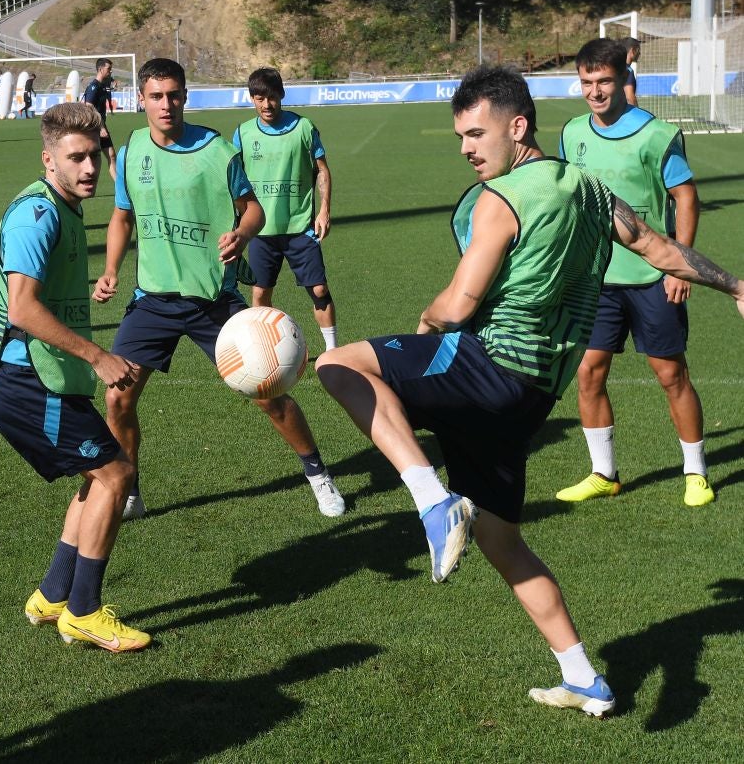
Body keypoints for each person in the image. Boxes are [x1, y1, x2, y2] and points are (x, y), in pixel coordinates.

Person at [314, 65, 744, 717]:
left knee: (339, 367)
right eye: (461, 136)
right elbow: (660, 251)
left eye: (477, 133)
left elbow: (459, 306)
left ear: (518, 127)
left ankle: (433, 502)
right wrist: (736, 286)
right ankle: (583, 678)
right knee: (502, 539)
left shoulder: (501, 199)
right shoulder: (596, 194)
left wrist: (427, 322)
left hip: (488, 367)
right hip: (530, 399)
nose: (466, 147)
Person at [93, 58, 344, 521]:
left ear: (185, 97)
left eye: (173, 95)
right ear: (140, 100)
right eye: (155, 96)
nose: (166, 105)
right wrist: (110, 269)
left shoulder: (217, 151)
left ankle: (317, 473)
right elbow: (122, 217)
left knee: (268, 393)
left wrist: (243, 236)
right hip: (153, 299)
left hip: (213, 300)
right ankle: (130, 488)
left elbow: (253, 211)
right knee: (117, 396)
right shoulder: (130, 153)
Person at [0, 101, 149, 653]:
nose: (88, 168)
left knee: (96, 476)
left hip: (41, 374)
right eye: (76, 158)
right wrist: (98, 356)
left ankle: (52, 596)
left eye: (94, 156)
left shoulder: (64, 208)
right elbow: (22, 308)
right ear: (49, 158)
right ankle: (85, 612)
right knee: (116, 474)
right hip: (20, 376)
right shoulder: (38, 215)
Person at [557, 38, 712, 506]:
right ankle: (604, 472)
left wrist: (680, 264)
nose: (595, 91)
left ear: (624, 78)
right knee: (589, 373)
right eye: (586, 82)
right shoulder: (571, 133)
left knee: (670, 374)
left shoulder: (657, 134)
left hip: (652, 276)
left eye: (603, 80)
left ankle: (696, 472)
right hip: (596, 279)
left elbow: (685, 196)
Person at [234, 67, 340, 354]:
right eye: (259, 98)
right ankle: (264, 351)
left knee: (319, 290)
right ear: (252, 99)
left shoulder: (304, 127)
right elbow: (234, 178)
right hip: (261, 230)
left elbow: (322, 170)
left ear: (281, 95)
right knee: (260, 293)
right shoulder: (243, 133)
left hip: (299, 228)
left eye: (271, 97)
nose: (266, 105)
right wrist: (239, 220)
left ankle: (332, 351)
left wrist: (324, 211)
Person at [82, 58, 117, 182]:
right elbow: (89, 106)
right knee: (91, 157)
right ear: (101, 69)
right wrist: (101, 127)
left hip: (101, 125)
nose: (110, 71)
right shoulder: (94, 86)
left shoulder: (102, 86)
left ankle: (119, 187)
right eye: (108, 69)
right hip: (93, 126)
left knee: (111, 155)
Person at [621, 37, 641, 108]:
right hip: (625, 114)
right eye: (638, 50)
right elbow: (629, 98)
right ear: (633, 51)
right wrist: (638, 115)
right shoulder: (628, 71)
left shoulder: (616, 68)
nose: (639, 53)